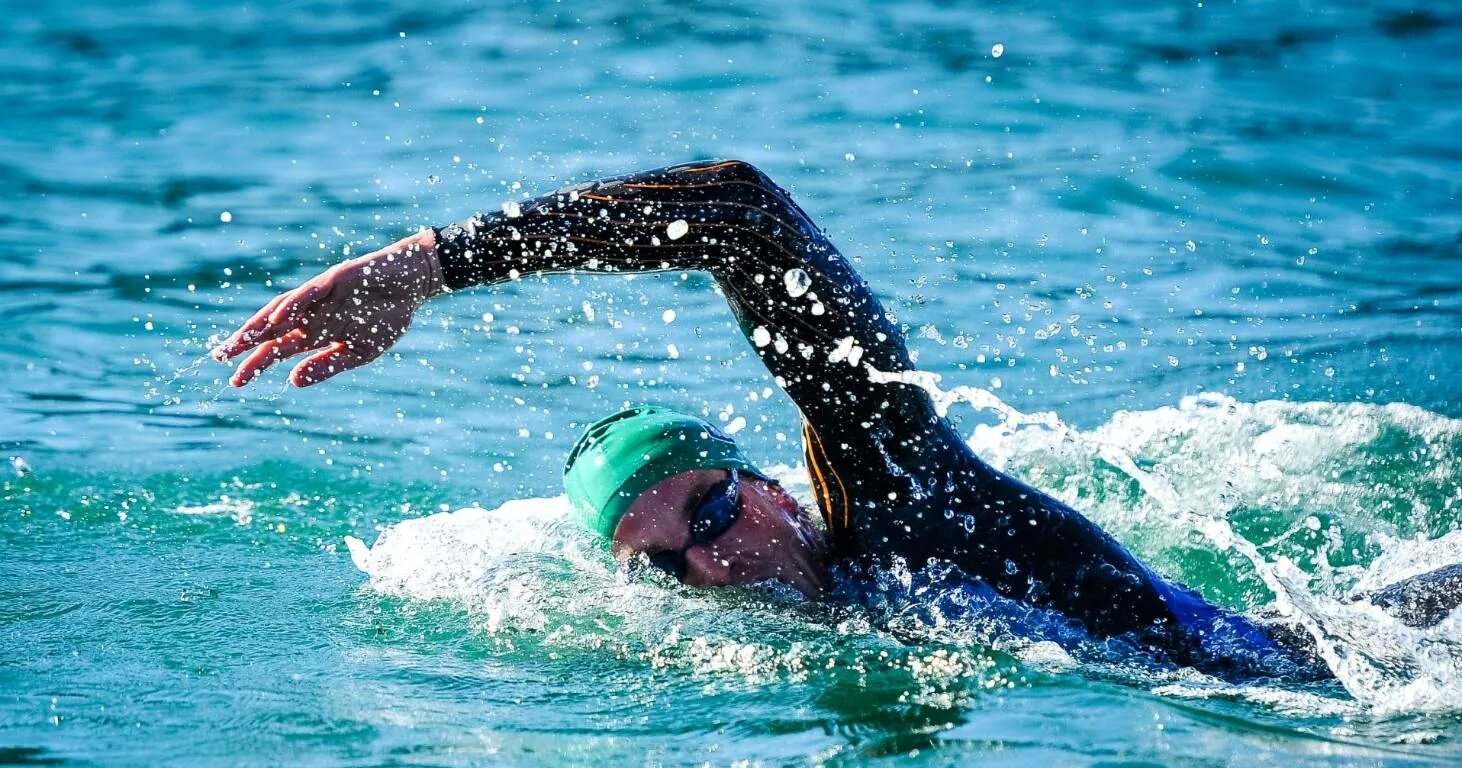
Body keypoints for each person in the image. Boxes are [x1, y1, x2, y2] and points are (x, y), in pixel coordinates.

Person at [213, 159, 1452, 681]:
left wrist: (434, 264)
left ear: (772, 485)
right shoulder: (793, 643)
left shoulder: (899, 491)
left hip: (1345, 669)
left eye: (708, 509)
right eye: (666, 559)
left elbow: (742, 211)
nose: (711, 559)